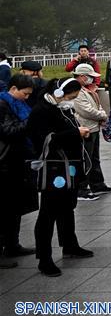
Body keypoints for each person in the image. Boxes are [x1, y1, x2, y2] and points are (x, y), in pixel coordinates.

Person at [27, 78, 94, 276]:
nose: (73, 99)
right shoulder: (42, 110)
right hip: (53, 169)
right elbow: (46, 138)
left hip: (69, 167)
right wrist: (76, 133)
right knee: (48, 213)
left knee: (67, 208)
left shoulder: (62, 108)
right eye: (72, 95)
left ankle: (70, 245)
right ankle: (44, 258)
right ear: (59, 93)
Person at [0, 74, 38, 265]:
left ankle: (12, 244)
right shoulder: (3, 105)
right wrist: (31, 122)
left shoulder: (19, 105)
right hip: (5, 163)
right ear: (13, 89)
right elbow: (9, 132)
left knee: (14, 208)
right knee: (4, 209)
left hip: (16, 162)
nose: (27, 97)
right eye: (25, 93)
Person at [72, 63, 111, 200]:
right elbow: (85, 110)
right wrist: (102, 115)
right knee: (86, 159)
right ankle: (82, 188)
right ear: (82, 76)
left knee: (94, 158)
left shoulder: (88, 90)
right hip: (86, 128)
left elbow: (98, 106)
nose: (92, 79)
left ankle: (97, 184)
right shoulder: (77, 91)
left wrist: (101, 113)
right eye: (90, 77)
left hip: (93, 127)